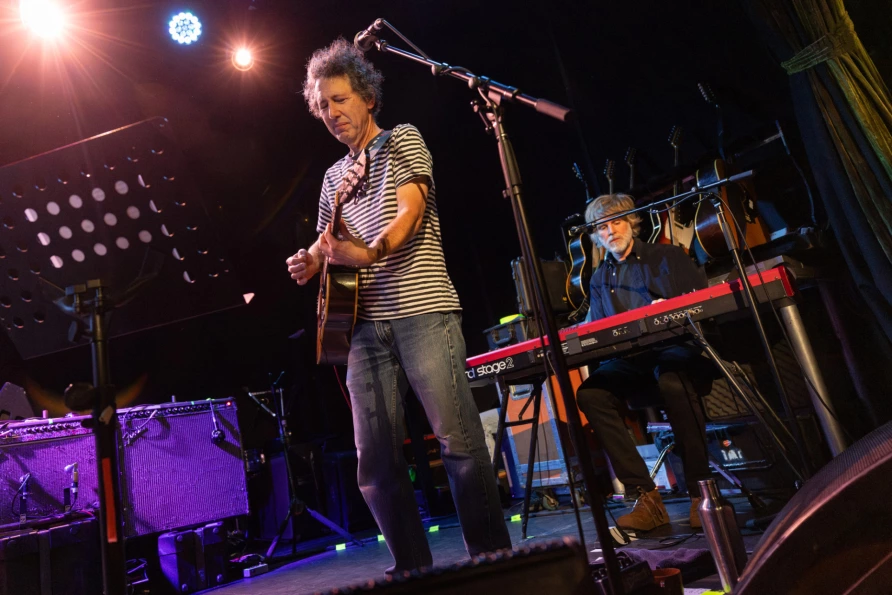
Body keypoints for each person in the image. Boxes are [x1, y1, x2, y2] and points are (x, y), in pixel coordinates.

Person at [286, 39, 511, 573]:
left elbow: (410, 213)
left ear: (366, 96)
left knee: (457, 441)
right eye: (322, 106)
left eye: (339, 99)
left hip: (423, 311)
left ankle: (494, 563)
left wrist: (367, 252)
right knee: (376, 460)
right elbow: (325, 239)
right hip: (363, 328)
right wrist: (311, 260)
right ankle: (411, 568)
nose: (331, 113)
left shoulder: (402, 141)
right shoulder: (331, 178)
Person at [576, 193, 714, 531]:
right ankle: (646, 497)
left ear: (632, 222)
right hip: (633, 361)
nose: (610, 231)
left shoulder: (667, 256)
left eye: (616, 222)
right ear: (595, 235)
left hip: (676, 352)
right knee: (590, 393)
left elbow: (703, 307)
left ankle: (702, 493)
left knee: (670, 379)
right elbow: (597, 330)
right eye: (602, 227)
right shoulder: (598, 279)